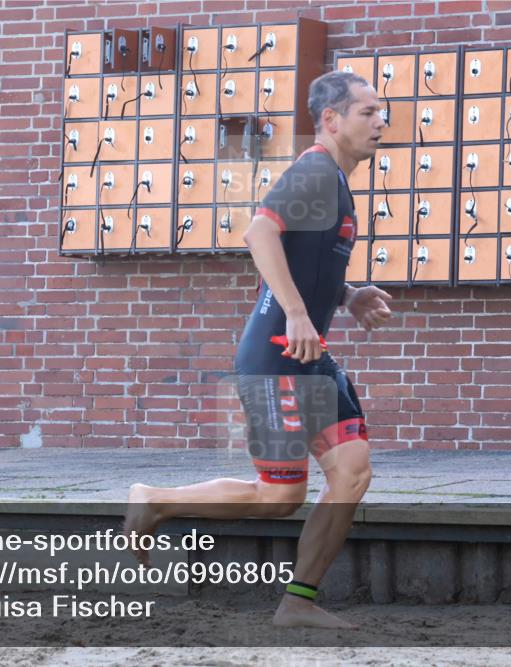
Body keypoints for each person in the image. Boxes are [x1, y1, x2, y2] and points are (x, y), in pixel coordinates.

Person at [123, 70, 393, 629]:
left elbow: (304, 261)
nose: (380, 121)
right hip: (277, 355)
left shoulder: (335, 182)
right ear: (331, 120)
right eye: (368, 112)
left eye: (381, 110)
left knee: (351, 471)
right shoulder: (317, 169)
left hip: (309, 355)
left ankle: (298, 603)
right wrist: (297, 313)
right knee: (280, 496)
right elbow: (260, 233)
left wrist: (347, 295)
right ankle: (153, 499)